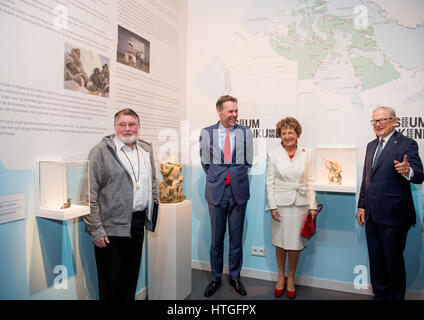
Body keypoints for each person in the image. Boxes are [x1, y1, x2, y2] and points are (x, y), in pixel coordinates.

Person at [84, 108, 159, 300]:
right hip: (110, 229)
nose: (127, 129)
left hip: (137, 224)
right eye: (122, 124)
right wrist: (97, 230)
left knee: (130, 277)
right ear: (115, 127)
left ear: (138, 127)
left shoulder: (145, 150)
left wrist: (152, 213)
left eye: (132, 124)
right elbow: (89, 194)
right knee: (111, 283)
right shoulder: (100, 151)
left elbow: (152, 182)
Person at [357, 106, 424, 300]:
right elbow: (366, 179)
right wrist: (361, 205)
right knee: (376, 262)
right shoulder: (371, 146)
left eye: (382, 120)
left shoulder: (407, 144)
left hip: (394, 217)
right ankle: (380, 296)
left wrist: (407, 170)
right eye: (374, 121)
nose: (378, 124)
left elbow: (419, 175)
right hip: (371, 215)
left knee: (393, 264)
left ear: (395, 121)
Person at [199, 95, 253, 297]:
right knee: (216, 239)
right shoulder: (207, 133)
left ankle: (235, 277)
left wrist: (233, 176)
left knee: (236, 238)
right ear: (219, 111)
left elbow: (248, 161)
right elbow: (206, 162)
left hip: (238, 191)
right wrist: (219, 177)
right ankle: (215, 278)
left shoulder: (245, 132)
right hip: (216, 192)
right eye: (231, 111)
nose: (235, 115)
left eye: (236, 111)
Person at [265, 117, 318, 299]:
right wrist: (272, 206)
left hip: (300, 205)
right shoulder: (273, 154)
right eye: (284, 132)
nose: (287, 136)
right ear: (280, 135)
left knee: (295, 245)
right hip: (280, 205)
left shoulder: (307, 153)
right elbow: (269, 182)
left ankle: (291, 278)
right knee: (280, 243)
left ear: (297, 134)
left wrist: (312, 206)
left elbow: (310, 180)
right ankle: (281, 276)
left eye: (291, 132)